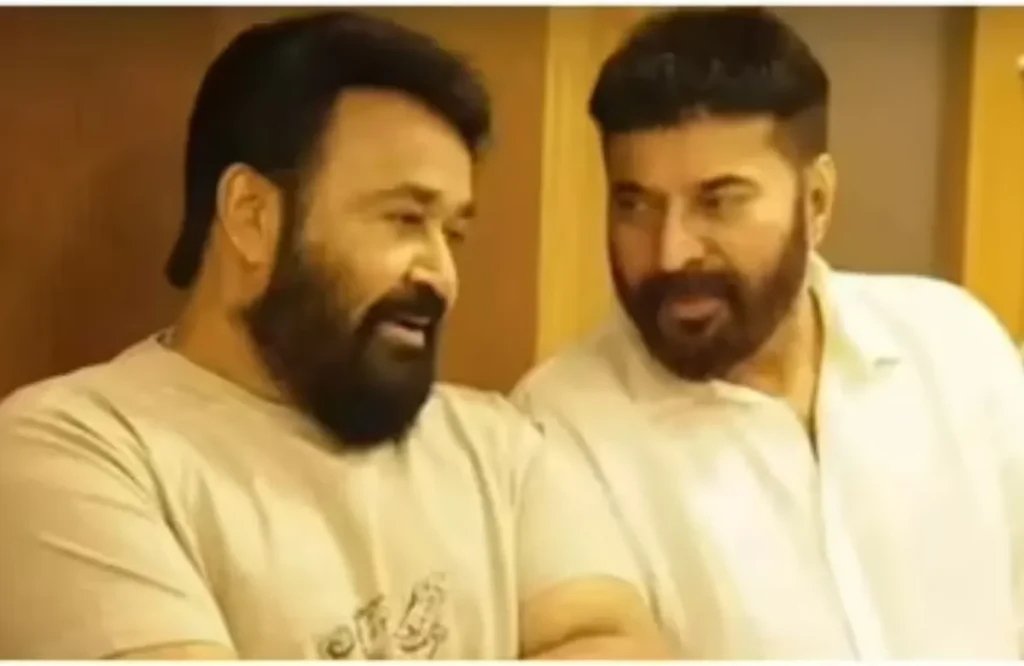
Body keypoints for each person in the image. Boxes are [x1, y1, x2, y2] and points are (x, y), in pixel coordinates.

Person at [0, 11, 669, 660]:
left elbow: (618, 644)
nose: (442, 274)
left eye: (453, 233)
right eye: (404, 219)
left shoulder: (502, 451)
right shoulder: (73, 452)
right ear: (252, 217)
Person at [513, 7, 1024, 659]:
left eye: (719, 202)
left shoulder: (954, 343)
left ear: (816, 201)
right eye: (635, 205)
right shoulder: (560, 425)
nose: (671, 252)